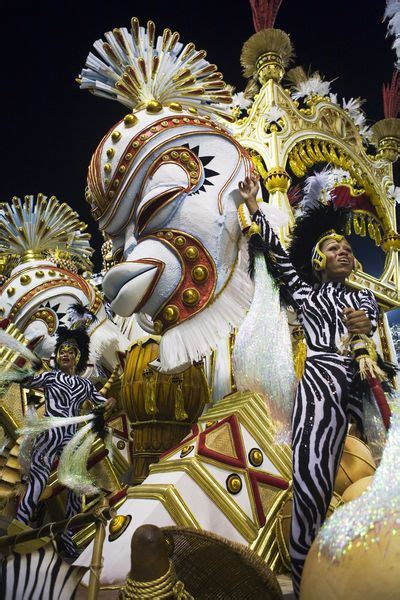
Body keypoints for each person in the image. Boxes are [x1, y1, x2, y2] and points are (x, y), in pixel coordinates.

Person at [239, 174, 378, 597]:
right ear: (318, 260)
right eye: (334, 248)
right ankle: (304, 582)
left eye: (349, 250)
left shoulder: (363, 298)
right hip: (317, 392)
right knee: (310, 489)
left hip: (351, 399)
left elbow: (367, 324)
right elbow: (279, 255)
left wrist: (363, 329)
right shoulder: (306, 294)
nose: (344, 253)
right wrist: (256, 206)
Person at [16, 326, 115, 556]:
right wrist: (21, 368)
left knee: (75, 487)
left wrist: (110, 401)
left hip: (72, 438)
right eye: (61, 350)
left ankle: (69, 537)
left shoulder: (86, 385)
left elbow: (102, 402)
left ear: (77, 357)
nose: (65, 353)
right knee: (38, 481)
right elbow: (26, 382)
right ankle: (18, 530)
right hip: (50, 433)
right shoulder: (50, 377)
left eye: (70, 351)